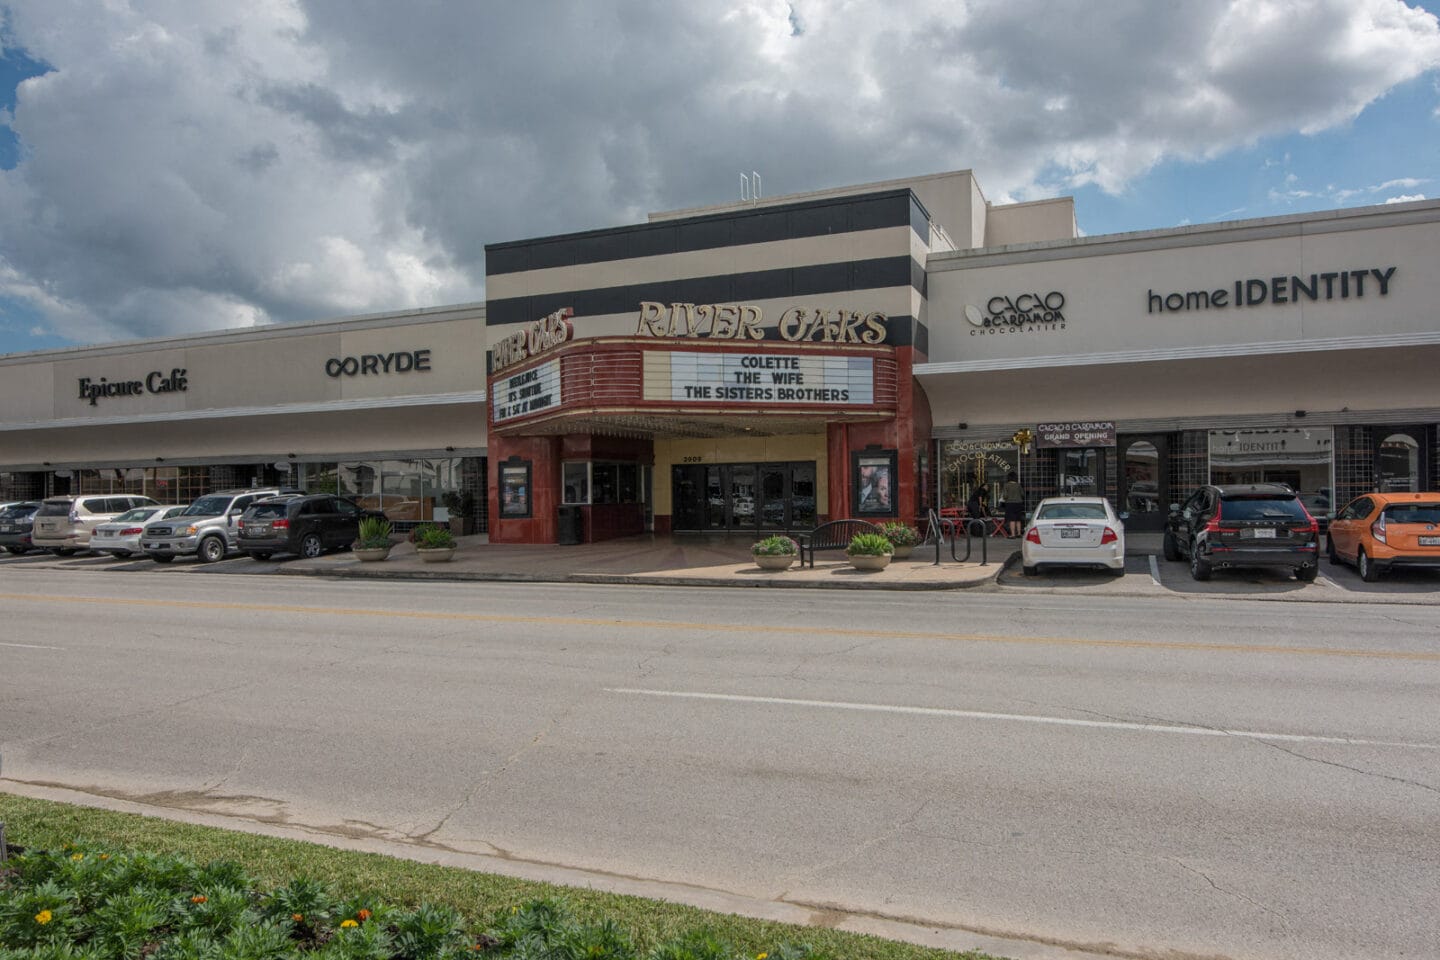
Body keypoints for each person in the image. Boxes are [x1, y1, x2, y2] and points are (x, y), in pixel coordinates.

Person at [1002, 470, 1025, 537]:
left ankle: (1013, 534)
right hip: (1019, 503)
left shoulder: (1006, 485)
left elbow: (1005, 496)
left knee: (1012, 519)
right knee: (1018, 519)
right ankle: (1019, 533)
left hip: (1010, 503)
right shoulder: (1018, 485)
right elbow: (1022, 494)